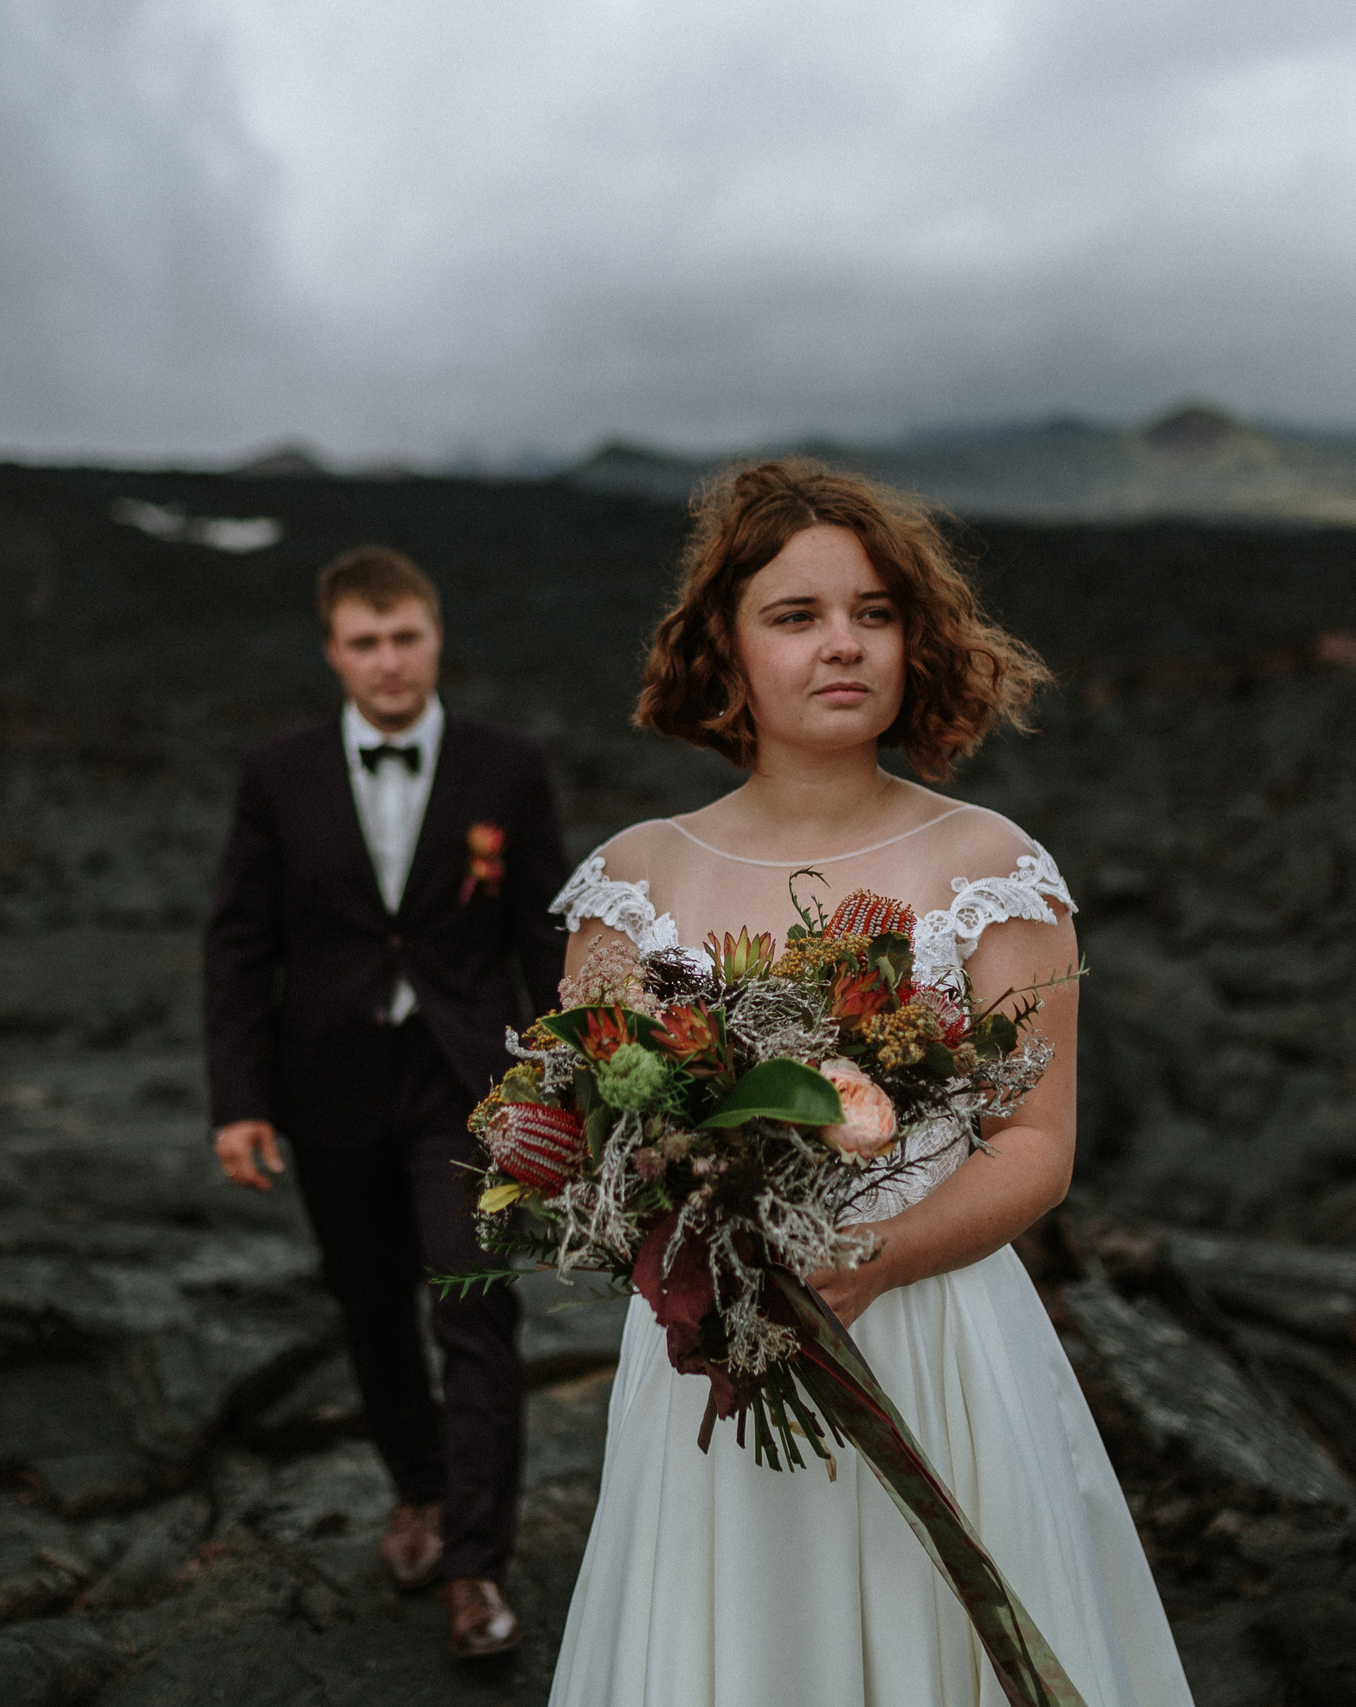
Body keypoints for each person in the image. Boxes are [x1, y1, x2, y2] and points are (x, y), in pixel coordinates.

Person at [546, 461, 1196, 1705]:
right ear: (724, 652)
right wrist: (701, 1226)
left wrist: (881, 1255)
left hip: (935, 1337)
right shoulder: (634, 879)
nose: (842, 645)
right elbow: (591, 1140)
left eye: (874, 613)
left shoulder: (991, 865)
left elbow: (1034, 1144)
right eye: (794, 617)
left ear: (915, 640)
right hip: (716, 1351)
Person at [203, 546, 570, 1658]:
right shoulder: (279, 774)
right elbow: (240, 946)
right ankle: (415, 1488)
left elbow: (543, 942)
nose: (389, 661)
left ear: (435, 637)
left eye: (404, 636)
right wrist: (239, 1099)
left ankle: (476, 1566)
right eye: (365, 643)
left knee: (472, 1307)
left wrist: (575, 1086)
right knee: (371, 1313)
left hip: (463, 1089)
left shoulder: (508, 768)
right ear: (333, 653)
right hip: (328, 1090)